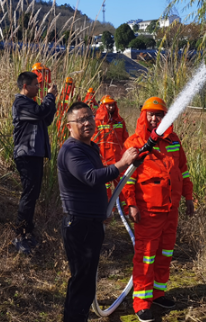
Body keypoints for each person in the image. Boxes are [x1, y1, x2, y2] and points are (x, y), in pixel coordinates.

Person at [57, 102, 138, 322]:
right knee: (82, 279)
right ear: (69, 126)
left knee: (85, 278)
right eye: (80, 120)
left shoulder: (90, 147)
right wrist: (123, 163)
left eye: (89, 118)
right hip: (79, 224)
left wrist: (103, 209)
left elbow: (96, 182)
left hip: (91, 222)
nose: (86, 123)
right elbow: (91, 177)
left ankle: (77, 316)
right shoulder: (71, 150)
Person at [123, 97, 194, 322]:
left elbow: (182, 171)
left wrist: (188, 197)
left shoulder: (173, 140)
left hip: (171, 211)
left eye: (159, 115)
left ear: (166, 117)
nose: (154, 119)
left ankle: (157, 294)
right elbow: (127, 180)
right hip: (148, 212)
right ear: (143, 116)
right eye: (150, 114)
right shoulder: (135, 143)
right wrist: (132, 204)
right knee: (146, 257)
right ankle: (141, 302)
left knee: (165, 254)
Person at [12, 71, 58, 254]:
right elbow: (41, 112)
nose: (38, 88)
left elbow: (46, 118)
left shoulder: (30, 104)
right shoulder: (21, 103)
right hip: (26, 154)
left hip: (35, 154)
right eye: (35, 85)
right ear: (25, 86)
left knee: (33, 194)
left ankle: (28, 233)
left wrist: (51, 101)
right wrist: (50, 96)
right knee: (29, 194)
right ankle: (19, 235)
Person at [91, 95, 129, 206]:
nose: (111, 107)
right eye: (108, 105)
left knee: (123, 185)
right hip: (103, 161)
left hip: (119, 160)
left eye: (113, 105)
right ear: (103, 106)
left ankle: (125, 210)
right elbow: (93, 143)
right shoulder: (97, 122)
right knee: (105, 187)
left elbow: (126, 140)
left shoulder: (120, 121)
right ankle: (108, 211)